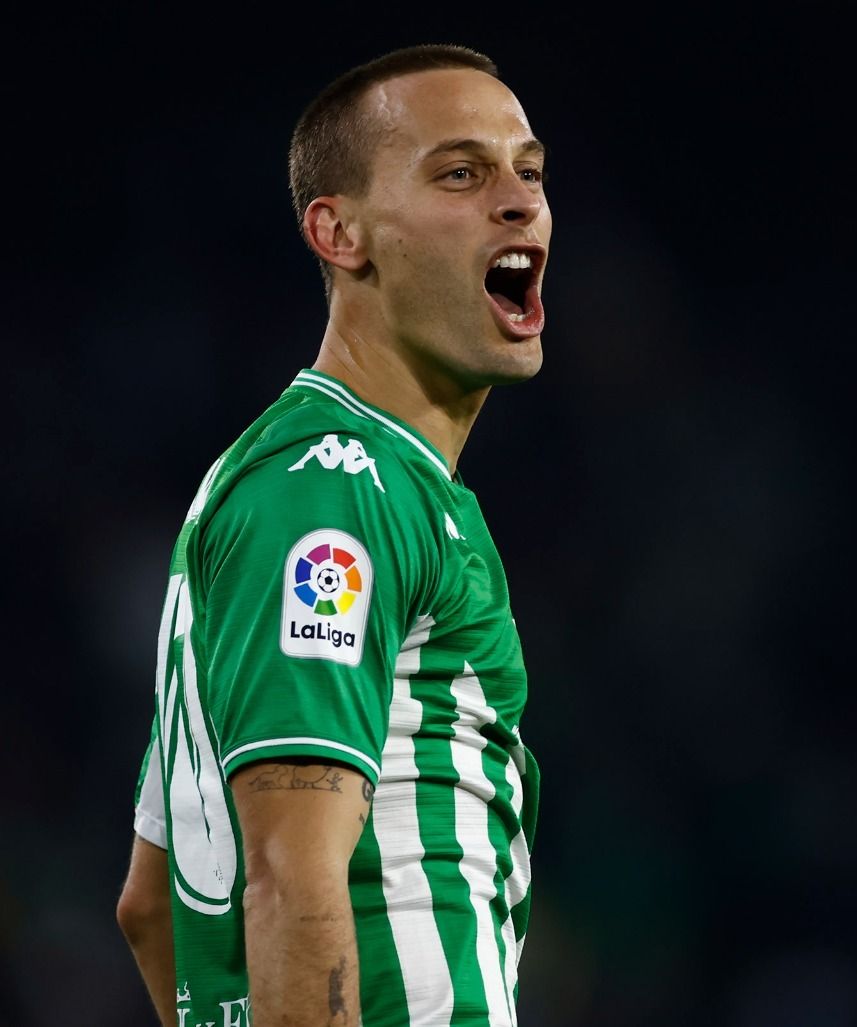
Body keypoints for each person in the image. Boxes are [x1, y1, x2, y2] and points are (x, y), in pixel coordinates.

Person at [113, 44, 550, 1027]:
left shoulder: (302, 480)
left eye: (529, 169)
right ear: (338, 230)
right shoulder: (337, 492)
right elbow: (285, 873)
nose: (520, 200)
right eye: (460, 172)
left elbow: (153, 906)